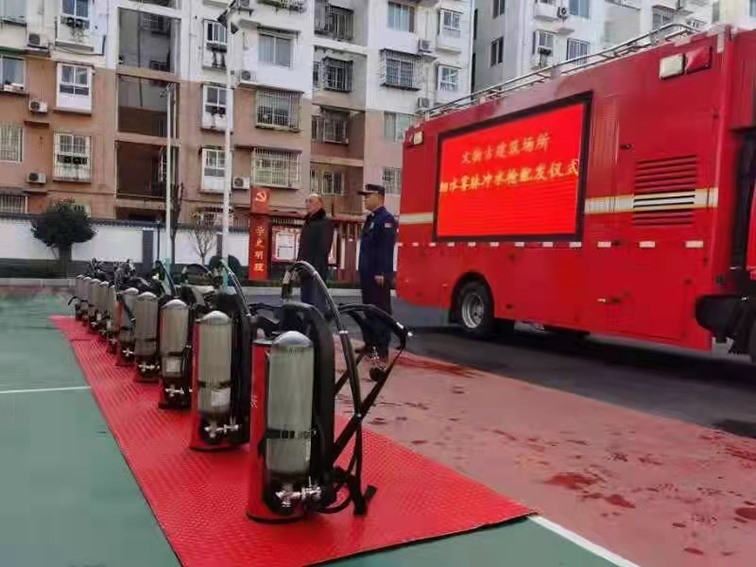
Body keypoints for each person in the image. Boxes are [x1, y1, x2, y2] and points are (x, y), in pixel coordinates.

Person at [357, 183, 397, 366]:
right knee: (368, 311)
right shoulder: (371, 219)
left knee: (380, 312)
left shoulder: (386, 219)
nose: (365, 199)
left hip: (378, 275)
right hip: (367, 274)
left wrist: (382, 272)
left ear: (379, 197)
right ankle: (370, 344)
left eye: (368, 196)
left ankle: (382, 350)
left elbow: (386, 249)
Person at [297, 193, 334, 317]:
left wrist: (313, 267)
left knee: (316, 301)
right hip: (304, 268)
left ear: (319, 204)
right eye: (306, 201)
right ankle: (307, 325)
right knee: (305, 301)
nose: (307, 204)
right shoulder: (307, 222)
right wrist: (299, 266)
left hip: (316, 268)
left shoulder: (325, 222)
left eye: (311, 201)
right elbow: (302, 248)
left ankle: (318, 325)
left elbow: (324, 248)